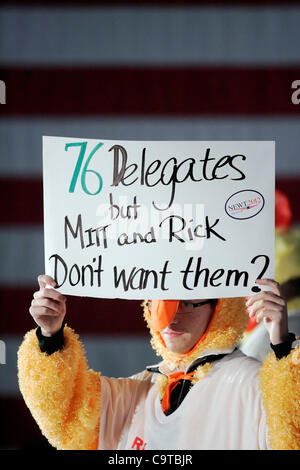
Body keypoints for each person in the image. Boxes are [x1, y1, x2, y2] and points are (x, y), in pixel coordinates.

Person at [17, 275, 300, 450]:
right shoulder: (138, 392)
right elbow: (66, 416)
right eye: (159, 302)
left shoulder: (251, 384)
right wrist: (49, 337)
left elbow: (291, 434)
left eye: (187, 302)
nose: (171, 318)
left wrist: (282, 347)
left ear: (220, 306)